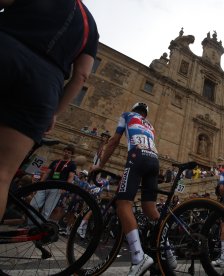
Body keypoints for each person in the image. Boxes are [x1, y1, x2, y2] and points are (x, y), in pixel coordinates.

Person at [0, 0, 99, 222]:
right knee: (2, 175)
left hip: (6, 49)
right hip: (44, 86)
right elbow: (82, 76)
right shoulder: (90, 25)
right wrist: (54, 111)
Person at [92, 102, 176, 275]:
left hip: (137, 158)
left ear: (134, 110)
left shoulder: (127, 115)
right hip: (154, 162)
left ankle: (138, 257)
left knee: (123, 203)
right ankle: (169, 251)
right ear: (145, 114)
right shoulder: (150, 126)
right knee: (150, 208)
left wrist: (100, 165)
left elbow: (114, 140)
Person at [30, 145, 77, 223]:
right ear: (63, 152)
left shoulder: (72, 164)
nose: (66, 153)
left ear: (71, 154)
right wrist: (40, 183)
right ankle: (30, 224)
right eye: (65, 151)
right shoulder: (55, 162)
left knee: (47, 210)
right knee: (33, 204)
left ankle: (39, 227)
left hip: (57, 188)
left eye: (69, 153)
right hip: (46, 185)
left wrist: (65, 188)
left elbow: (71, 176)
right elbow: (47, 173)